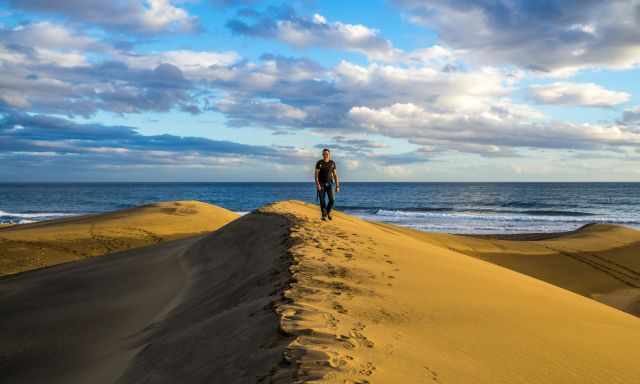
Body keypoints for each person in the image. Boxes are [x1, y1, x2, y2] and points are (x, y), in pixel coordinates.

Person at [315, 148, 340, 221]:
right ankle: (323, 215)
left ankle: (328, 212)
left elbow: (335, 175)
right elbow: (316, 175)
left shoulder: (332, 163)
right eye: (324, 154)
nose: (325, 155)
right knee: (322, 201)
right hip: (321, 184)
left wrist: (337, 186)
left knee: (332, 200)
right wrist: (318, 184)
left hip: (330, 184)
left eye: (327, 154)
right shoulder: (319, 163)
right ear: (322, 155)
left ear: (329, 155)